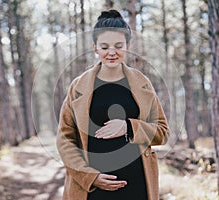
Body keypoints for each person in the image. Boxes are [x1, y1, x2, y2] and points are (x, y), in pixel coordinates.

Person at [57, 9, 169, 200]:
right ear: (95, 47)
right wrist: (90, 177)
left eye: (118, 45)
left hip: (138, 187)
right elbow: (65, 140)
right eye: (104, 46)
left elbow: (163, 133)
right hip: (91, 190)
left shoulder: (142, 83)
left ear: (127, 46)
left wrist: (129, 127)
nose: (111, 52)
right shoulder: (78, 87)